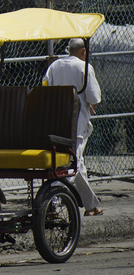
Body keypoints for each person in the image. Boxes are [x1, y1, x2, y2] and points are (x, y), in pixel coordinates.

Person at [44, 37, 104, 216]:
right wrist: (91, 105)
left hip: (56, 121)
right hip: (76, 124)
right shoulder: (84, 67)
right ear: (83, 51)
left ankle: (91, 205)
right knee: (71, 166)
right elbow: (94, 97)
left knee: (78, 163)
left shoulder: (54, 66)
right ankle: (52, 203)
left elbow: (45, 86)